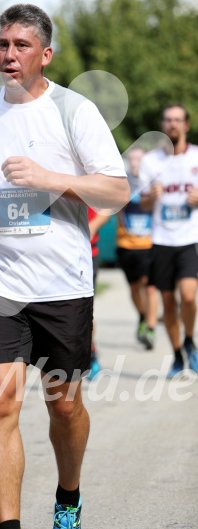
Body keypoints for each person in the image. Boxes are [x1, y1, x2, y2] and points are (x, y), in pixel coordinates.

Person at [0, 4, 129, 529]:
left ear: (45, 55)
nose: (8, 54)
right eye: (3, 44)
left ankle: (68, 495)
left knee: (64, 406)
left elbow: (116, 189)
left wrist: (49, 178)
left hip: (61, 283)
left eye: (21, 45)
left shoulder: (75, 112)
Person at [140, 104, 198, 378]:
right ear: (163, 125)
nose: (172, 124)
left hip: (190, 239)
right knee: (167, 302)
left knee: (188, 296)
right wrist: (152, 196)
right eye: (168, 120)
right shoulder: (151, 161)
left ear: (186, 125)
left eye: (177, 119)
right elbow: (142, 204)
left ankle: (189, 340)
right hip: (161, 241)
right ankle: (177, 356)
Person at [116, 147, 158, 349]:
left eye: (139, 159)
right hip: (126, 243)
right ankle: (143, 316)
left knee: (149, 286)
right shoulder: (121, 183)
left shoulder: (154, 182)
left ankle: (150, 328)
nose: (135, 163)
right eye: (132, 159)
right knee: (134, 287)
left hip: (149, 243)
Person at [87, 207, 111, 379]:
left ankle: (90, 351)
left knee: (84, 312)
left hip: (86, 253)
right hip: (48, 256)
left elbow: (110, 204)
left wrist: (94, 225)